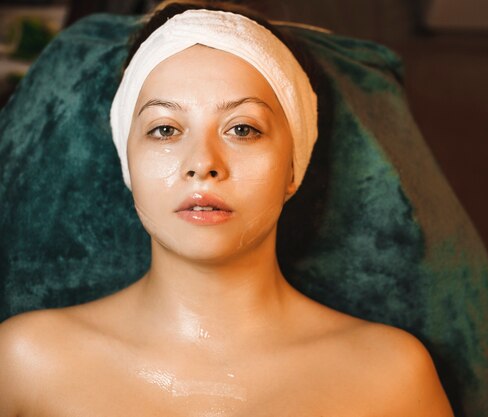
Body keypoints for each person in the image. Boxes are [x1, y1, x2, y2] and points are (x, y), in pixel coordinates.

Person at [0, 1, 454, 415]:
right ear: (127, 164)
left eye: (242, 129)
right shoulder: (25, 362)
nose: (203, 164)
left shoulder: (390, 376)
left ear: (293, 165)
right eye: (164, 130)